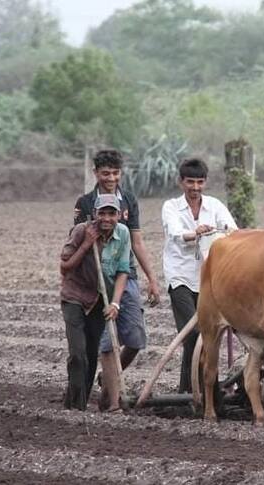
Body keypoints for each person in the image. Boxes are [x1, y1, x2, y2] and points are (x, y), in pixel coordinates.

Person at [73, 149, 161, 406]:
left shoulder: (129, 201)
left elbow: (137, 241)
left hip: (127, 275)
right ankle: (111, 401)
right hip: (97, 281)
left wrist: (152, 279)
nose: (111, 178)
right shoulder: (86, 203)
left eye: (115, 173)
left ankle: (110, 378)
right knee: (106, 343)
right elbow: (78, 238)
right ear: (96, 174)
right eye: (105, 173)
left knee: (135, 339)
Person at [161, 157, 238, 393]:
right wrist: (195, 232)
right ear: (181, 182)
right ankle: (191, 390)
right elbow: (175, 233)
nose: (195, 188)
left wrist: (218, 232)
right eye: (190, 182)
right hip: (181, 276)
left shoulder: (214, 206)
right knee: (193, 334)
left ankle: (203, 388)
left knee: (209, 333)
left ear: (205, 182)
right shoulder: (171, 207)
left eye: (200, 182)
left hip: (210, 280)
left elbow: (232, 230)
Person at [60, 193, 129, 411]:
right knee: (78, 354)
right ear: (94, 214)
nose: (107, 219)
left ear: (118, 215)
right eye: (102, 213)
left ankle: (75, 401)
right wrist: (87, 243)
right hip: (75, 296)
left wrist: (115, 303)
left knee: (90, 354)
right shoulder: (82, 231)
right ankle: (77, 405)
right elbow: (65, 266)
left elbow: (122, 272)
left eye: (112, 214)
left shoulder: (123, 234)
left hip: (100, 299)